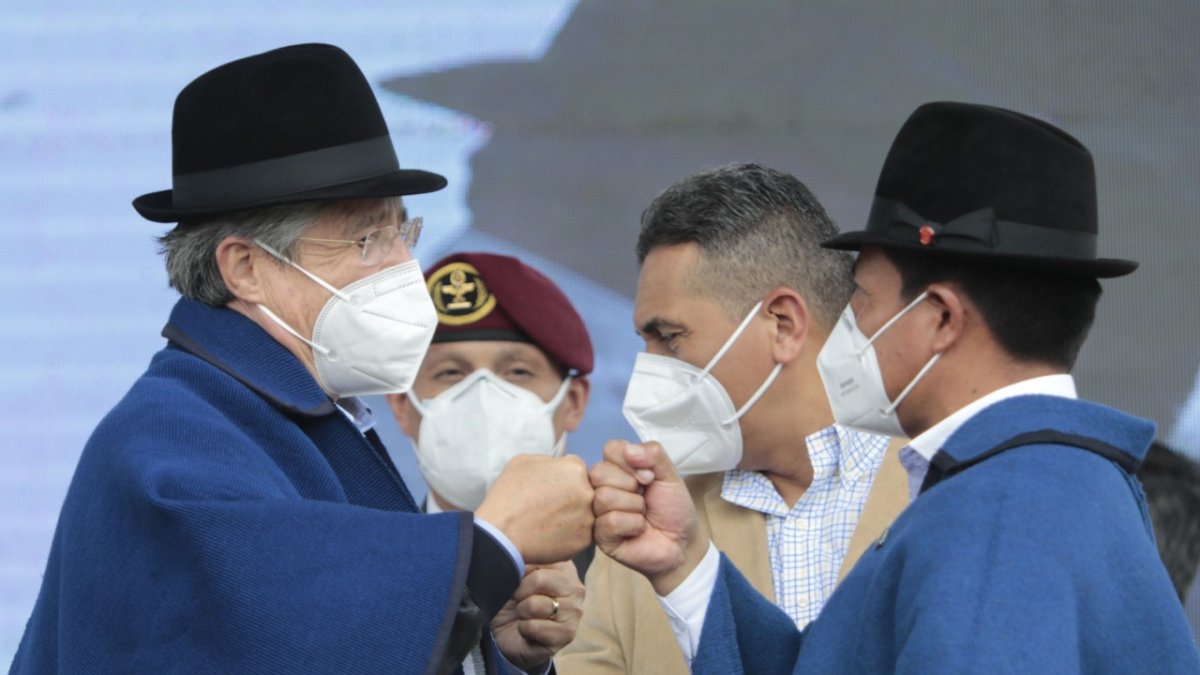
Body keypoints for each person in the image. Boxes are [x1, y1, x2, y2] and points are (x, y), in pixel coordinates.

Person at [10, 44, 594, 675]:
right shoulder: (167, 438)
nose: (406, 267)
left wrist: (489, 646)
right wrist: (493, 545)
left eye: (404, 232)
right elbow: (282, 634)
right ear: (246, 268)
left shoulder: (297, 413)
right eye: (367, 238)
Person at [589, 102, 1200, 672]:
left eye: (861, 300)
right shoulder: (1044, 484)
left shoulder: (998, 515)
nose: (847, 327)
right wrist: (687, 566)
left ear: (940, 319)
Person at [557, 164, 908, 674]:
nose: (647, 372)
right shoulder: (641, 531)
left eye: (669, 338)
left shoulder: (945, 491)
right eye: (646, 343)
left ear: (782, 324)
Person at [387, 251, 595, 669]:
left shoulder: (635, 574)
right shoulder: (377, 570)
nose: (483, 399)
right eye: (450, 373)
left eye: (517, 372)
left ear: (572, 402)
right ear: (402, 407)